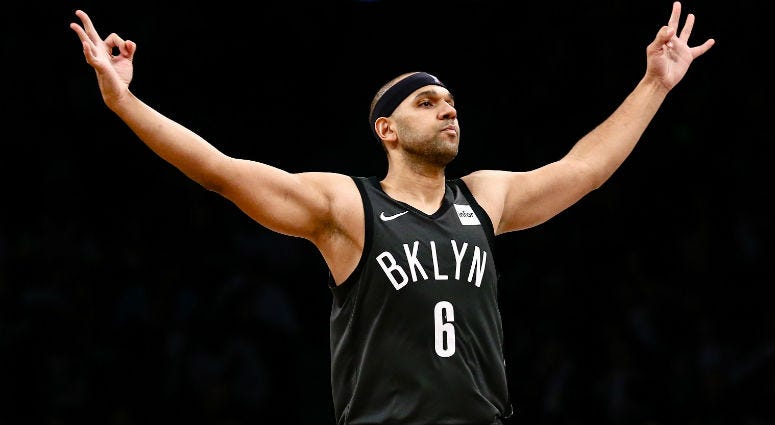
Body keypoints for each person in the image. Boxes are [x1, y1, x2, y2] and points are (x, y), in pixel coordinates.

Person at [69, 3, 714, 424]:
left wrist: (656, 83)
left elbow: (585, 168)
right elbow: (221, 171)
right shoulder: (348, 205)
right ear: (388, 130)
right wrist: (126, 102)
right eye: (429, 103)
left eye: (452, 101)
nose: (448, 110)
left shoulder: (483, 197)